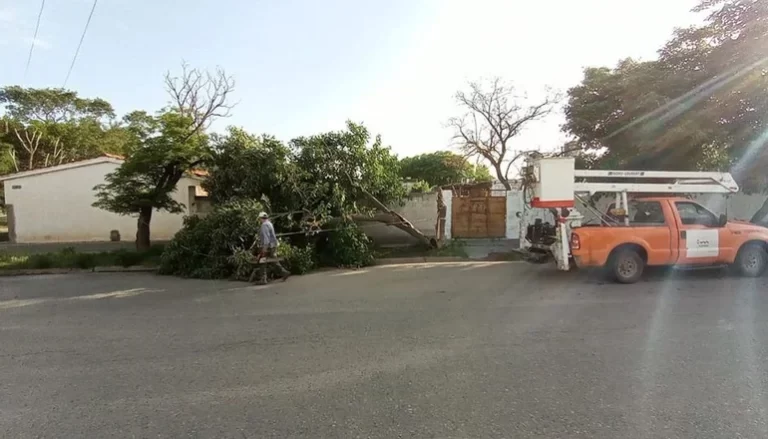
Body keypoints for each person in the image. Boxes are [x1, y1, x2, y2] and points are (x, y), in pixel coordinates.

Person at [254, 212, 290, 284]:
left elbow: (266, 238)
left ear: (261, 218)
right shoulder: (269, 223)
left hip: (268, 246)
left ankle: (263, 279)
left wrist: (264, 249)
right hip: (273, 245)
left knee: (262, 260)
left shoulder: (264, 225)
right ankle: (284, 272)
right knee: (273, 260)